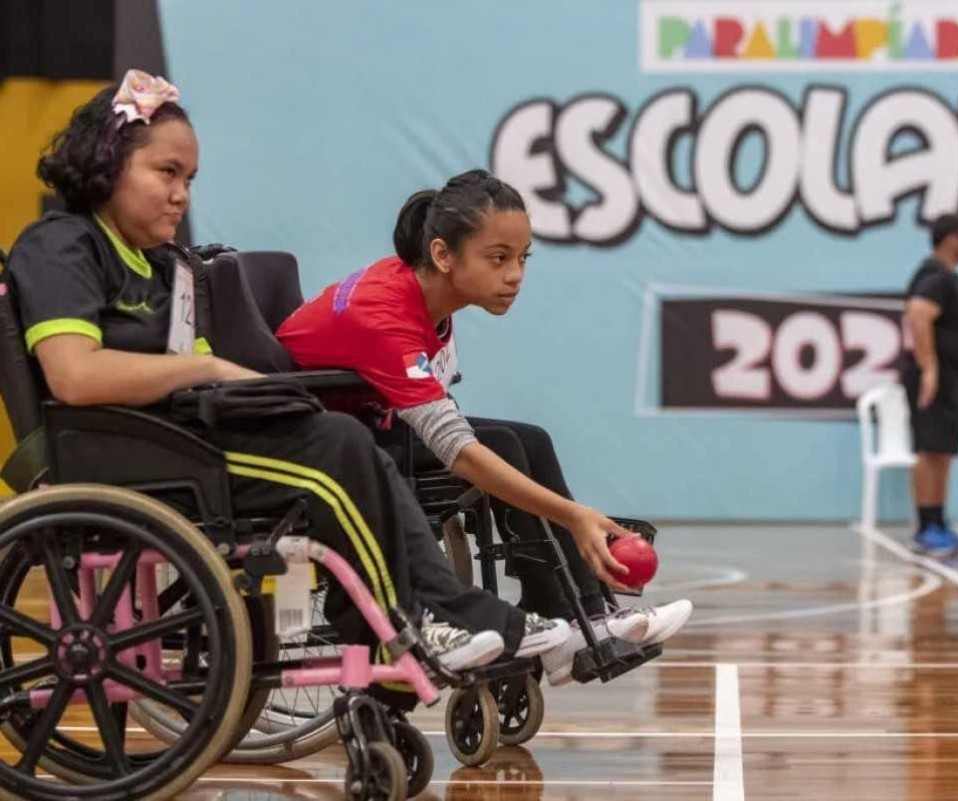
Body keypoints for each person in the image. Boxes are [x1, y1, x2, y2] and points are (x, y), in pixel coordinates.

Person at [4, 70, 583, 674]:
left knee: (355, 443)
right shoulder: (61, 246)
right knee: (339, 445)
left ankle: (456, 618)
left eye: (190, 179)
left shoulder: (160, 264)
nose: (182, 195)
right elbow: (75, 376)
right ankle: (416, 624)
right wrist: (204, 367)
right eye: (166, 174)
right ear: (107, 166)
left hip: (184, 437)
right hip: (129, 448)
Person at [276, 170, 692, 686]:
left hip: (364, 425)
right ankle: (562, 623)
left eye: (522, 258)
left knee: (527, 440)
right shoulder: (384, 315)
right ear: (444, 255)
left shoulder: (430, 300)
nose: (515, 274)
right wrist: (574, 516)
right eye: (498, 259)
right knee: (495, 449)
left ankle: (580, 619)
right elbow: (458, 450)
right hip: (311, 445)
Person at [900, 214, 958, 558]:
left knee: (943, 451)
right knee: (929, 449)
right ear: (953, 239)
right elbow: (918, 315)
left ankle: (939, 519)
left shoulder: (953, 279)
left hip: (954, 380)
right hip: (935, 380)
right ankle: (925, 526)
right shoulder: (934, 276)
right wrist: (930, 368)